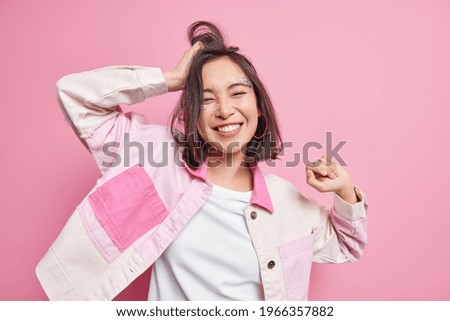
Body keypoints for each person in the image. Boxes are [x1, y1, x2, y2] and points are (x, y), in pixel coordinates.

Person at [36, 21, 368, 301]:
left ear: (259, 108)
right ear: (194, 116)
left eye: (238, 93)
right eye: (207, 100)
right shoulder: (154, 156)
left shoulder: (285, 201)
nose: (225, 110)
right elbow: (74, 94)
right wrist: (173, 79)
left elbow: (346, 245)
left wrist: (344, 190)